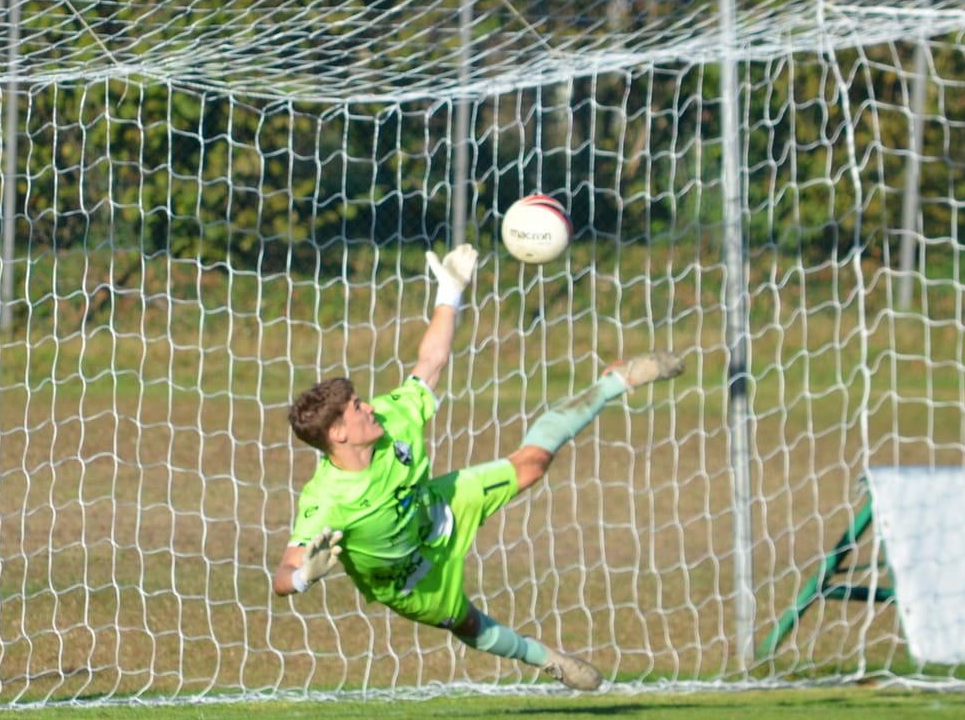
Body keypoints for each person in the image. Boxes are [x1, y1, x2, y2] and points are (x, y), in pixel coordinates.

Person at [272, 242, 686, 691]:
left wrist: (449, 291)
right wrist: (303, 577)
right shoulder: (324, 500)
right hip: (409, 578)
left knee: (532, 464)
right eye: (356, 407)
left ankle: (614, 382)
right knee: (467, 623)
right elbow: (281, 578)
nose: (370, 406)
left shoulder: (394, 417)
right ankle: (548, 659)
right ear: (338, 434)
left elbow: (431, 362)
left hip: (439, 509)